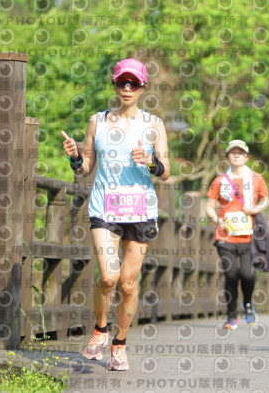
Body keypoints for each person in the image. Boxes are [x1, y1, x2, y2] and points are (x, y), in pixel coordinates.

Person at [61, 58, 170, 370]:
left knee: (127, 284)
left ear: (142, 87)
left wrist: (150, 162)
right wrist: (73, 158)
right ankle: (99, 331)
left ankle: (120, 344)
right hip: (104, 207)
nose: (127, 87)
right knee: (108, 277)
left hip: (140, 210)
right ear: (115, 84)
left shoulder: (154, 123)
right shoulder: (98, 121)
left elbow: (164, 172)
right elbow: (85, 170)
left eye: (133, 83)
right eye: (122, 82)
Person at [205, 140, 269, 329]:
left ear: (246, 157)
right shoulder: (219, 181)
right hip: (225, 236)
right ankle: (231, 315)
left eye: (240, 153)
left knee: (248, 275)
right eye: (233, 153)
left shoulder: (256, 178)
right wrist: (217, 220)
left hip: (249, 236)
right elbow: (209, 206)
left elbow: (265, 199)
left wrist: (254, 209)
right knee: (231, 275)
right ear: (228, 157)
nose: (237, 155)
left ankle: (248, 305)